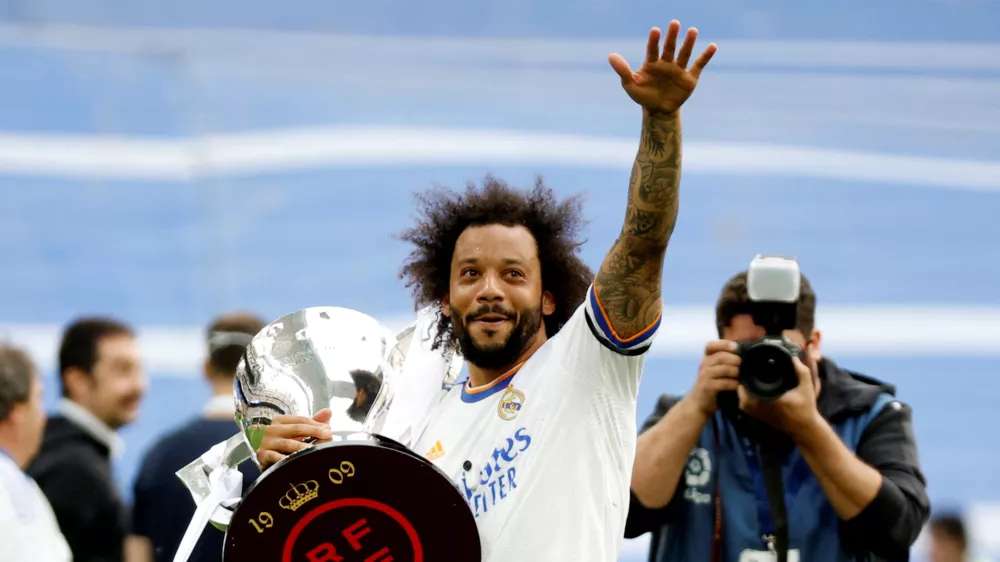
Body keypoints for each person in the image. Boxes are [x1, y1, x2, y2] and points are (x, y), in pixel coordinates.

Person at [253, 19, 717, 562]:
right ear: (445, 300)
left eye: (514, 274)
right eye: (470, 274)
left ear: (549, 298)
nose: (490, 290)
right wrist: (287, 475)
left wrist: (661, 120)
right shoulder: (416, 424)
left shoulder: (587, 369)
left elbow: (642, 247)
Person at [625, 270, 930, 561]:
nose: (766, 365)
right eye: (749, 351)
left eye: (783, 350)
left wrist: (809, 427)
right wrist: (696, 407)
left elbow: (897, 530)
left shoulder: (870, 416)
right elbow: (624, 514)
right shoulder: (686, 417)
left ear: (815, 345)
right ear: (722, 348)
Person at [127, 312, 266, 562]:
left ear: (206, 368)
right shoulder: (275, 458)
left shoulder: (159, 455)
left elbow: (137, 550)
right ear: (263, 373)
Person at [28, 317, 147, 562]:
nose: (139, 385)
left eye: (139, 370)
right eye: (123, 370)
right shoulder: (74, 470)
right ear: (77, 381)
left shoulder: (59, 451)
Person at [0, 343, 71, 562]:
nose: (43, 418)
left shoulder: (19, 484)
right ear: (17, 411)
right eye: (38, 399)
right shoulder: (10, 486)